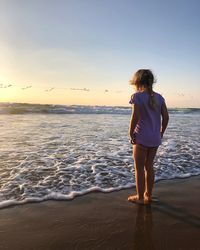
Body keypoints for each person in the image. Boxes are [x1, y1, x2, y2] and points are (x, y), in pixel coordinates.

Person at [128, 69, 169, 204]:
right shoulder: (159, 98)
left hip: (141, 137)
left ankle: (140, 198)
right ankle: (148, 195)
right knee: (149, 166)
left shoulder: (137, 96)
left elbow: (135, 117)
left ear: (138, 82)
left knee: (139, 169)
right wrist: (161, 133)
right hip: (155, 138)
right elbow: (166, 117)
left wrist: (131, 132)